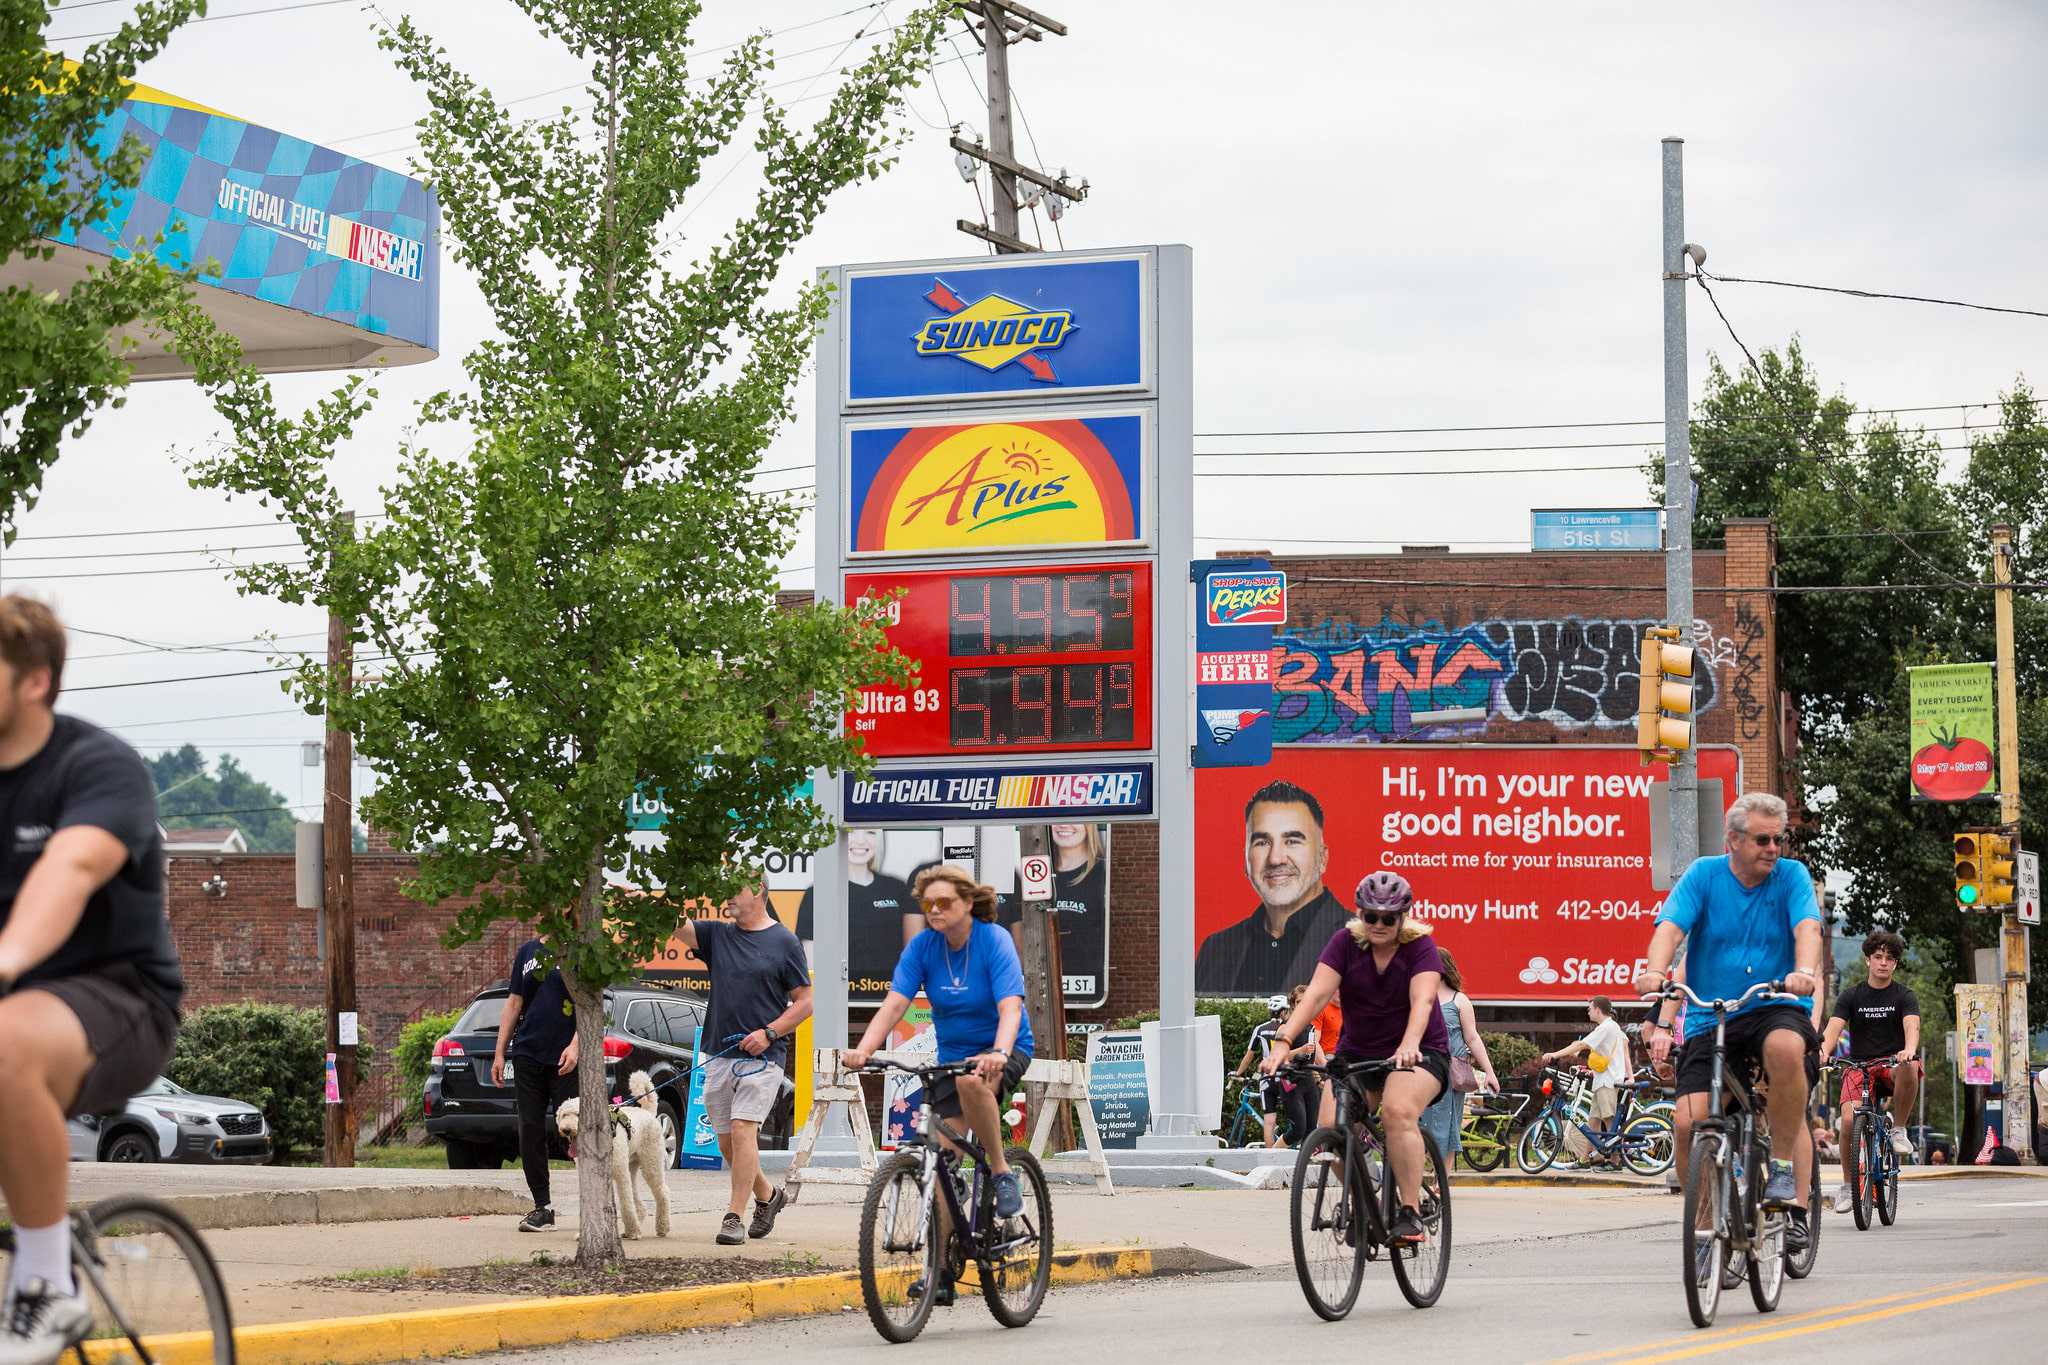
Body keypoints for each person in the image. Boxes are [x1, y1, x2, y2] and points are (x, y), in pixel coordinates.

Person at [0, 597, 181, 1364]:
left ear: (34, 680)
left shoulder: (97, 767)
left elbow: (69, 870)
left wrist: (7, 958)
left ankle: (46, 1283)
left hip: (119, 998)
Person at [1635, 792, 1824, 1265]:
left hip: (1774, 1003)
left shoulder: (1792, 877)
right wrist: (1655, 972)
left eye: (1779, 839)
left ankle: (1784, 1177)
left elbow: (1807, 929)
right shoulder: (1704, 875)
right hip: (1711, 1014)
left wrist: (1803, 970)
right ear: (1733, 840)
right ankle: (1701, 1230)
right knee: (1687, 1123)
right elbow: (1670, 930)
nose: (1774, 848)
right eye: (1763, 839)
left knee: (1784, 1050)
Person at [845, 865, 1034, 1305]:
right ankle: (943, 1271)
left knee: (974, 1084)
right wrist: (863, 1049)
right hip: (952, 1055)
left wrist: (1000, 1053)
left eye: (944, 903)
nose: (934, 911)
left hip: (1002, 1048)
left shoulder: (994, 941)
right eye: (927, 904)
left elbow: (1010, 1008)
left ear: (967, 904)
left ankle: (1002, 1172)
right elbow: (894, 1004)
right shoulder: (924, 948)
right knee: (942, 1162)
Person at [1266, 871, 1449, 1246]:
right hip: (1359, 1053)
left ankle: (1409, 1212)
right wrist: (1283, 1042)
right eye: (1371, 916)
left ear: (1403, 917)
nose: (1379, 925)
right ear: (1359, 914)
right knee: (1329, 1129)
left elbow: (1423, 1001)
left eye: (1388, 918)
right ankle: (1363, 1202)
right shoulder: (1345, 944)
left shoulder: (1421, 948)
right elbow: (1316, 995)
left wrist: (1410, 1042)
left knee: (1397, 1110)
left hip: (1418, 1052)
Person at [673, 877, 813, 1246]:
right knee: (726, 1144)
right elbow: (674, 924)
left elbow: (805, 1002)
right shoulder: (717, 936)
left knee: (742, 1129)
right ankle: (768, 1196)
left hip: (763, 1058)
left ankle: (733, 1215)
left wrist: (769, 1032)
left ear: (759, 892)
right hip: (719, 1054)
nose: (727, 898)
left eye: (735, 890)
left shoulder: (784, 941)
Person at [1196, 781, 1351, 995]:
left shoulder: (1362, 941)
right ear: (1246, 860)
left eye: (1292, 841)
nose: (1276, 858)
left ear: (1322, 858)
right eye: (1262, 842)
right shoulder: (1216, 948)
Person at [1822, 929, 1921, 1212]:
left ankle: (1899, 1129)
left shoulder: (1904, 995)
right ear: (1868, 960)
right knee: (1849, 1120)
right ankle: (1847, 1185)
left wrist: (1909, 1049)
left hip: (1892, 1065)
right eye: (1878, 957)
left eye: (1889, 959)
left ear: (1895, 964)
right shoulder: (1851, 996)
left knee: (1910, 1066)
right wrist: (1821, 1054)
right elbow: (1832, 1031)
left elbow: (1911, 1027)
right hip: (1859, 1066)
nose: (1883, 963)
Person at [491, 938, 579, 1233]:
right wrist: (500, 1052)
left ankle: (595, 1203)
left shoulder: (578, 946)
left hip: (565, 1056)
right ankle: (543, 1207)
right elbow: (514, 1002)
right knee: (529, 1129)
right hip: (528, 1052)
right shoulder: (528, 951)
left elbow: (593, 1002)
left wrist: (576, 1045)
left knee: (578, 1131)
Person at [795, 828, 918, 1001]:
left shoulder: (896, 888)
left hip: (891, 998)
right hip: (838, 1000)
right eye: (851, 831)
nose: (860, 841)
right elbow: (811, 961)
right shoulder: (819, 892)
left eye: (870, 833)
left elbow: (912, 951)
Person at [1000, 823, 1110, 1004]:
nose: (1064, 824)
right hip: (1039, 986)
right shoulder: (1033, 876)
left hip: (1088, 982)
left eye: (1075, 818)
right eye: (1057, 817)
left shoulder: (1102, 873)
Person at [1421, 948, 1498, 1167]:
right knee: (1419, 1126)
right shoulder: (1418, 997)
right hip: (1421, 1072)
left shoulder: (1459, 1000)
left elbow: (1472, 1038)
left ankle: (1441, 1182)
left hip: (1449, 1076)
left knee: (1447, 1128)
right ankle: (1418, 1183)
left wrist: (1490, 1073)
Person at [1543, 996, 1632, 1167]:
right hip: (1602, 1080)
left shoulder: (1606, 1027)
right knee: (1593, 1121)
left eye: (1590, 1008)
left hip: (1608, 1081)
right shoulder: (1608, 1027)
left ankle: (1615, 1160)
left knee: (1608, 1119)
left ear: (1598, 1009)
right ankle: (1586, 1158)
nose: (1588, 1011)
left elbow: (1580, 1045)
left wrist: (1555, 1054)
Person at [1232, 992, 1313, 1148]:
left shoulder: (1261, 1029)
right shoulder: (1291, 1027)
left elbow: (1249, 1055)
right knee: (1298, 1117)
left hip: (1268, 1077)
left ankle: (1271, 1157)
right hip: (1286, 1076)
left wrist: (1238, 1073)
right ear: (1285, 1010)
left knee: (1269, 1121)